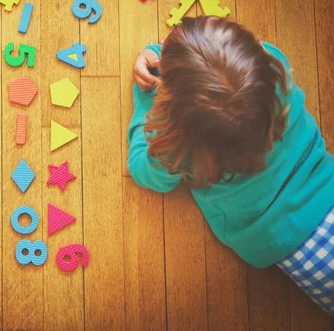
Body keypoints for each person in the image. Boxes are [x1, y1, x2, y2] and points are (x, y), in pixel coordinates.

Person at [128, 16, 334, 315]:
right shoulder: (271, 64)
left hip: (283, 241)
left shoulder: (179, 148)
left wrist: (147, 97)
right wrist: (181, 62)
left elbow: (141, 168)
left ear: (172, 113)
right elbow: (230, 67)